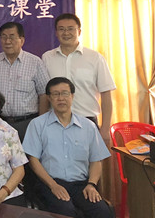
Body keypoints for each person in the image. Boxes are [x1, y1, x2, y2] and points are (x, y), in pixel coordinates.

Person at [23, 77, 114, 218]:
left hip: (81, 185)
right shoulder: (38, 124)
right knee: (66, 212)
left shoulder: (88, 126)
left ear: (72, 96)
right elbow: (33, 160)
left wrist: (91, 184)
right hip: (50, 183)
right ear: (49, 98)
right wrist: (53, 185)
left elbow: (96, 160)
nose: (61, 98)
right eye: (55, 94)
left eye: (65, 93)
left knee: (102, 211)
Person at [42, 13, 116, 141]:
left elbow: (106, 94)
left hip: (86, 121)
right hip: (55, 122)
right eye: (61, 29)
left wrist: (105, 129)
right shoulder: (47, 58)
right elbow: (44, 94)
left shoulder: (95, 58)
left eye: (71, 29)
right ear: (56, 33)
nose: (66, 33)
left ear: (79, 31)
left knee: (89, 155)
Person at [0, 22, 50, 141]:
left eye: (12, 37)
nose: (7, 41)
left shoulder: (35, 62)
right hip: (1, 123)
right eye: (4, 37)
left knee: (28, 153)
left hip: (28, 123)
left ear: (22, 40)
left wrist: (41, 123)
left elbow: (44, 94)